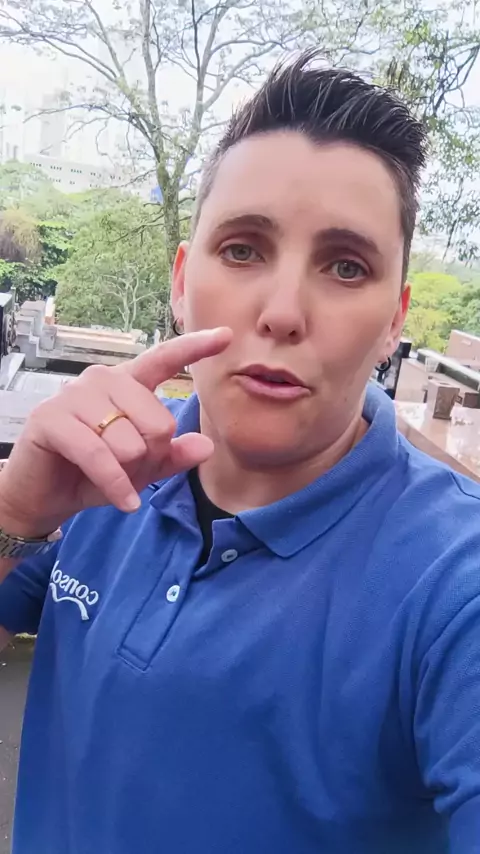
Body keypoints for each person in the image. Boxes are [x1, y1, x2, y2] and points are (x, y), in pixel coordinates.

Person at [0, 50, 479, 854]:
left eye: (346, 266)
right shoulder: (100, 468)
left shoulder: (453, 584)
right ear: (182, 282)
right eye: (244, 250)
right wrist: (16, 512)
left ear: (395, 321)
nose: (283, 311)